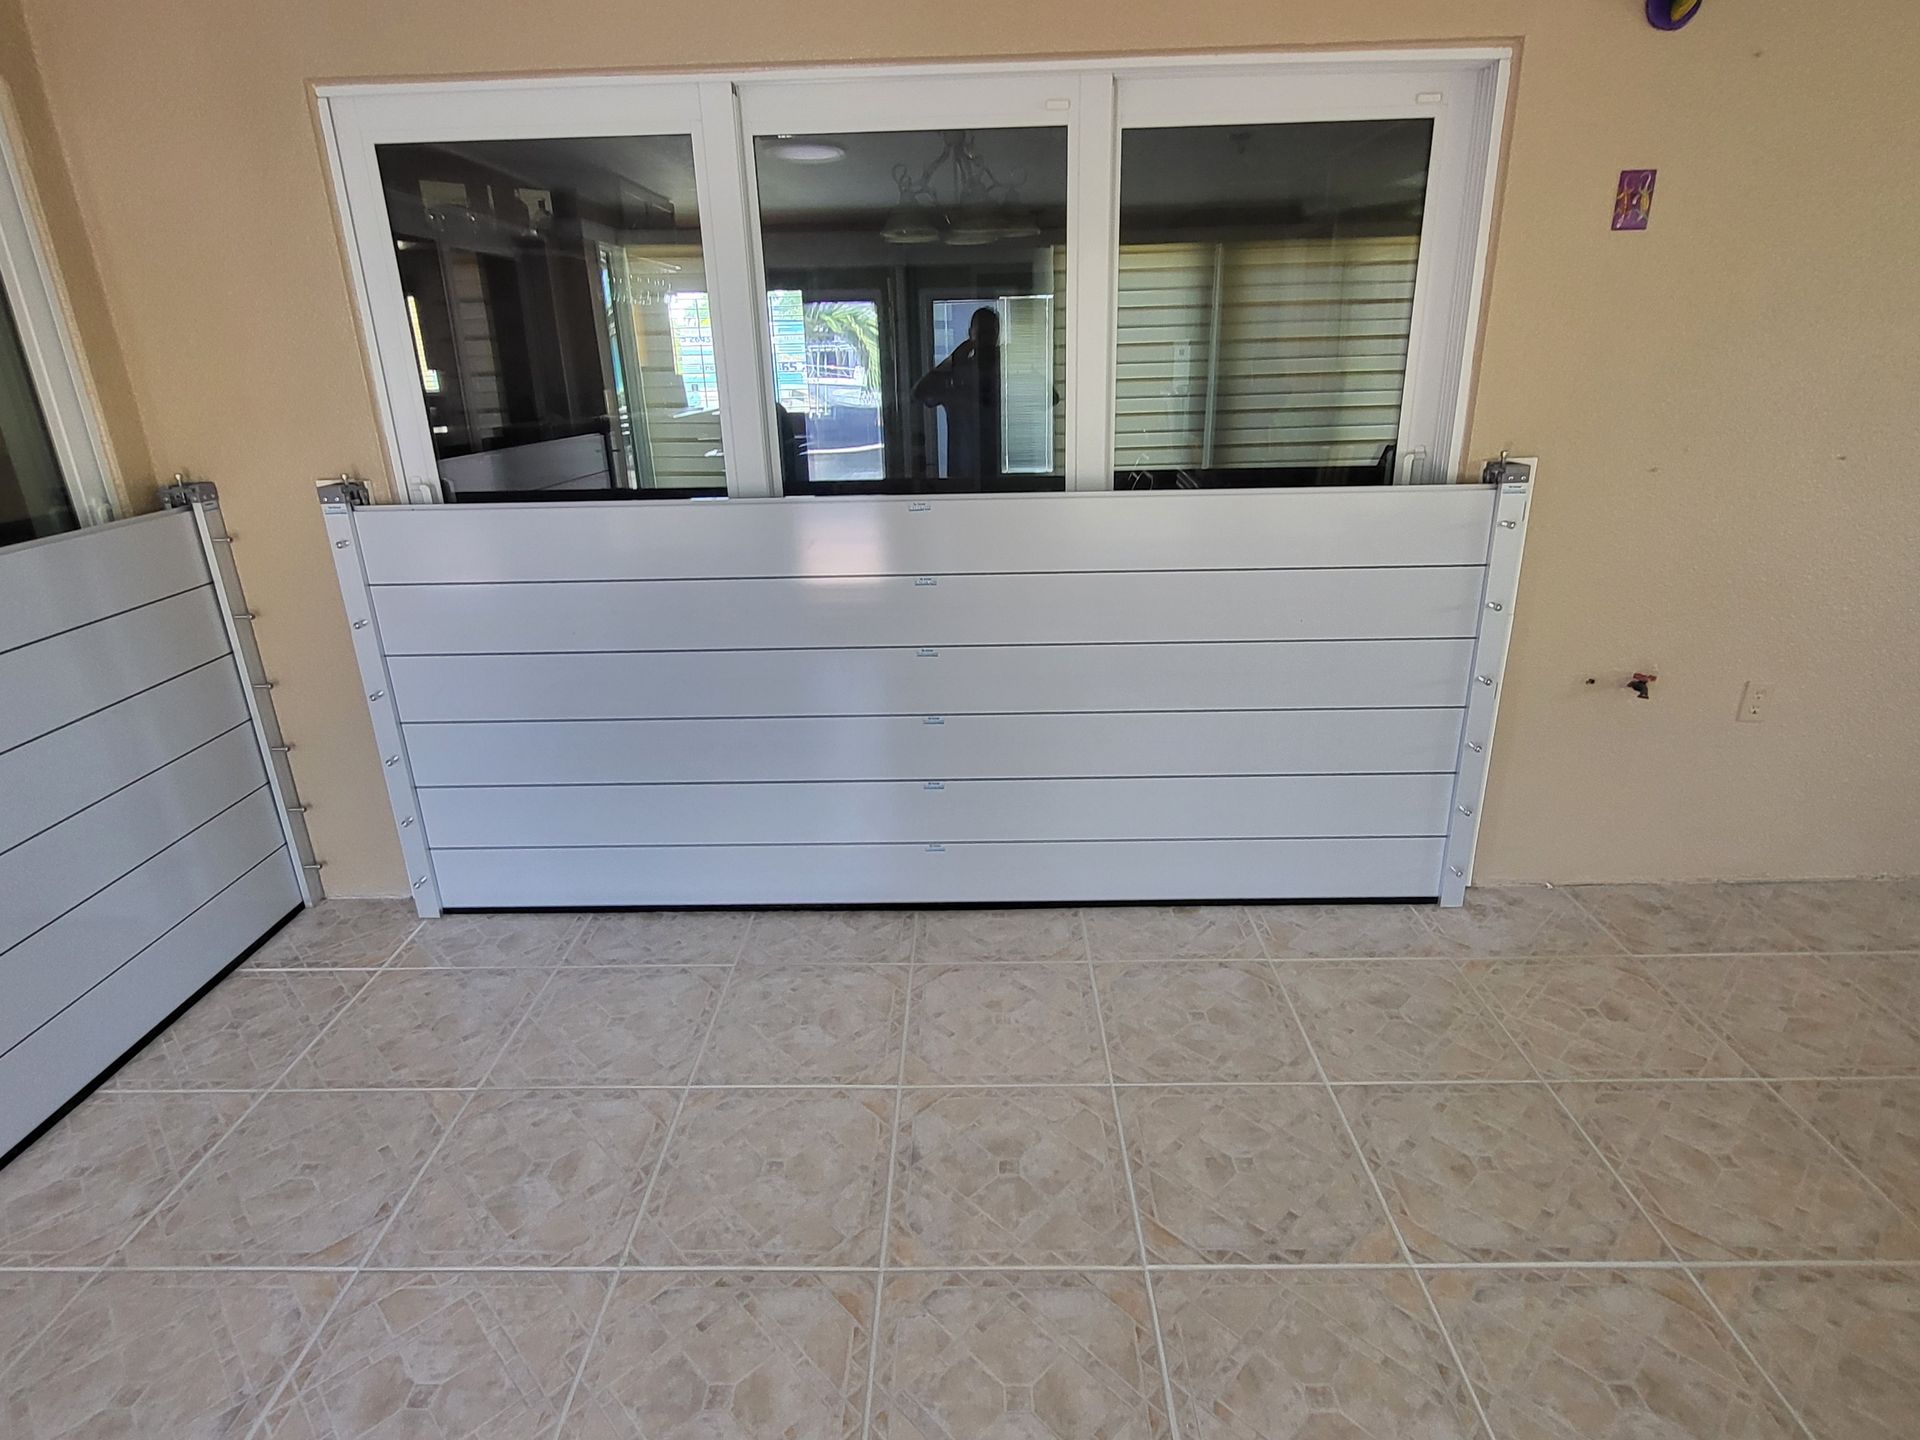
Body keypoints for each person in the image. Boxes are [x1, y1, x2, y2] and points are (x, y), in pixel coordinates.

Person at [912, 306, 1002, 487]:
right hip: (962, 477)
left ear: (997, 335)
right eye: (981, 333)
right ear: (971, 334)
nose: (986, 339)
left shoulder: (1006, 370)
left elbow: (1050, 397)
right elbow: (920, 393)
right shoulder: (957, 373)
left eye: (990, 333)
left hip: (999, 477)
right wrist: (954, 359)